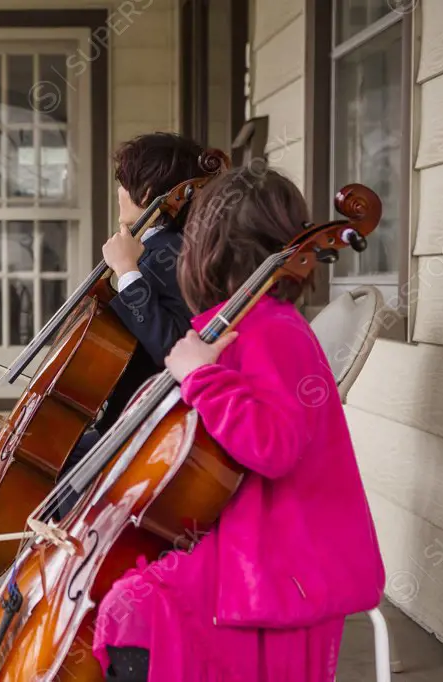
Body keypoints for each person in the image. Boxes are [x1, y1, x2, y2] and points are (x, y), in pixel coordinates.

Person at [91, 167, 386, 681]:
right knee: (121, 596)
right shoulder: (237, 323)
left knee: (129, 606)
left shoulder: (272, 332)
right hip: (247, 536)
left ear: (207, 249)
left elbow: (272, 445)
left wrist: (201, 376)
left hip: (280, 558)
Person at [56, 133, 209, 513]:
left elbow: (173, 347)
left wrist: (126, 272)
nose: (120, 191)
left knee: (62, 465)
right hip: (125, 417)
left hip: (146, 427)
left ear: (151, 189)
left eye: (126, 182)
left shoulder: (174, 250)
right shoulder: (154, 244)